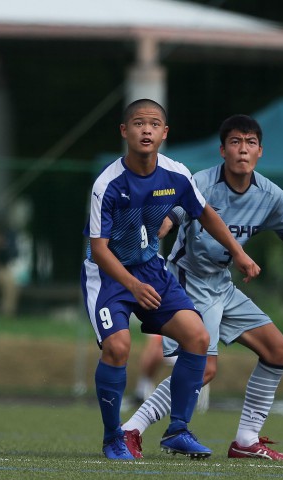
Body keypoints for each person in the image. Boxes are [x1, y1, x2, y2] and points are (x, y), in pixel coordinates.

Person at [120, 114, 283, 460]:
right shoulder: (200, 183)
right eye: (235, 142)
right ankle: (132, 429)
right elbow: (166, 221)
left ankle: (246, 440)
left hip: (222, 286)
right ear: (222, 150)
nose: (242, 150)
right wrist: (147, 238)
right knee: (203, 369)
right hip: (188, 283)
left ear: (260, 151)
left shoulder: (270, 195)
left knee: (278, 350)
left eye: (250, 143)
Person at [80, 99, 260, 460]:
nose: (146, 130)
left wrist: (239, 254)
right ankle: (113, 437)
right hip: (110, 275)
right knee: (118, 347)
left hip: (151, 270)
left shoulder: (176, 173)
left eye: (154, 124)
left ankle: (178, 429)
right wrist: (131, 286)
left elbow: (206, 214)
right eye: (138, 123)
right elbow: (99, 249)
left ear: (164, 133)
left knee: (197, 337)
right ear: (124, 131)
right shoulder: (108, 182)